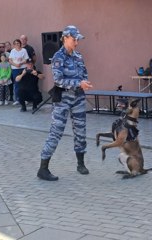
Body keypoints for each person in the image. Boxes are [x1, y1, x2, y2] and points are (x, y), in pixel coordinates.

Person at [37, 25, 93, 181]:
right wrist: (78, 83)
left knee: (81, 131)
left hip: (78, 99)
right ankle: (43, 169)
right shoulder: (58, 57)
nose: (77, 42)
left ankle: (80, 164)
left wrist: (85, 82)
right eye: (74, 39)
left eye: (78, 39)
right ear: (66, 38)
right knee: (56, 133)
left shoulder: (78, 56)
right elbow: (58, 80)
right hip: (63, 100)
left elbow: (84, 74)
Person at [9, 39, 29, 105]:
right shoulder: (12, 51)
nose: (17, 44)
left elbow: (26, 60)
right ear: (14, 45)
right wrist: (16, 65)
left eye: (18, 43)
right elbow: (10, 60)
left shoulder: (24, 50)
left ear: (20, 44)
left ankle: (25, 99)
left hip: (22, 68)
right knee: (16, 84)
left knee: (24, 83)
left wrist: (20, 63)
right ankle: (18, 99)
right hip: (15, 69)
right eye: (15, 43)